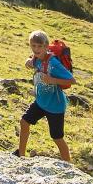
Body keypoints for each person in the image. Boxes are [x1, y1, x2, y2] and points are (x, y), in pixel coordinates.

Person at [16, 30, 73, 162]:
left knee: (57, 137)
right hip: (41, 102)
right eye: (34, 46)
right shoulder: (36, 58)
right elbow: (31, 60)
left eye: (40, 46)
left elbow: (71, 80)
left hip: (55, 106)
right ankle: (21, 156)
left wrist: (52, 80)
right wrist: (27, 61)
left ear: (46, 47)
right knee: (24, 122)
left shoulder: (54, 63)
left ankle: (69, 166)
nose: (36, 49)